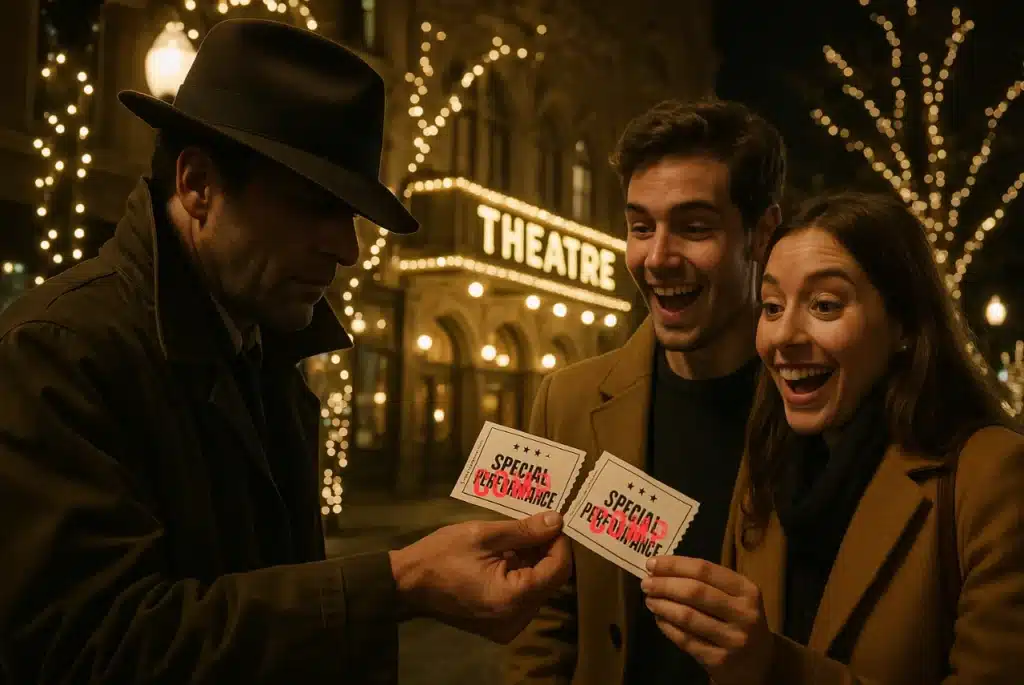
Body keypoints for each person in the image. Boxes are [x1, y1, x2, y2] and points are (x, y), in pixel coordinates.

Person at [0, 19, 571, 684]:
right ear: (197, 185)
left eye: (352, 215)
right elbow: (89, 646)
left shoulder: (264, 349)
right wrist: (399, 582)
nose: (347, 248)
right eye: (313, 207)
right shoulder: (55, 353)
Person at [637, 191, 1024, 684]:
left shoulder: (993, 475)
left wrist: (776, 667)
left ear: (903, 323)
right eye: (772, 306)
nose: (783, 337)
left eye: (824, 305)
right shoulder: (767, 467)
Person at [505, 99, 785, 684]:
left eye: (694, 227)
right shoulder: (565, 401)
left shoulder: (812, 401)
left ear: (761, 234)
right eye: (640, 227)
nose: (657, 257)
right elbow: (541, 623)